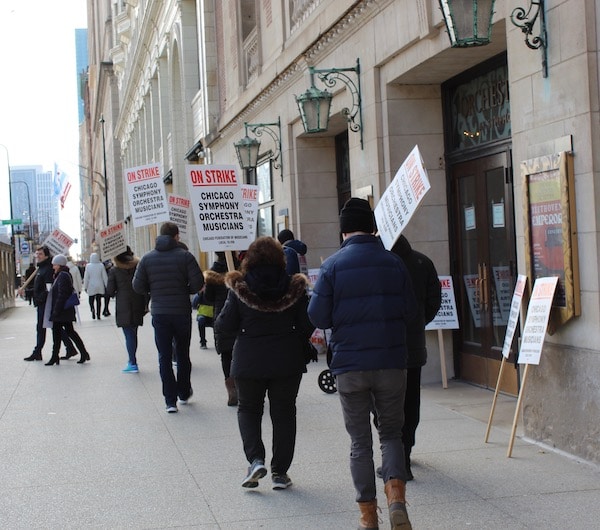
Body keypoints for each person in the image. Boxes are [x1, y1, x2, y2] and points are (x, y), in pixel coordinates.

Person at [307, 198, 417, 530]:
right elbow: (411, 313)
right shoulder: (394, 263)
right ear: (373, 227)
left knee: (359, 442)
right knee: (391, 434)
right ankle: (396, 498)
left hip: (350, 366)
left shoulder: (333, 266)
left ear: (343, 231)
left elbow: (318, 316)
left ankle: (368, 516)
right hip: (391, 362)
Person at [214, 237, 314, 490]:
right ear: (281, 258)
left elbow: (224, 325)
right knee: (284, 413)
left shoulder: (239, 288)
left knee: (248, 410)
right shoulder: (295, 287)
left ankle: (256, 460)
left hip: (249, 360)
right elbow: (307, 324)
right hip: (287, 361)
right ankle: (280, 472)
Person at [132, 222, 204, 413]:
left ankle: (169, 400)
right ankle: (183, 392)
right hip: (181, 311)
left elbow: (137, 286)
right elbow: (198, 283)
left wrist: (153, 291)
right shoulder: (185, 256)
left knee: (164, 356)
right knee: (182, 353)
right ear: (176, 237)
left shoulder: (147, 259)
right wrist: (184, 290)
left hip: (160, 312)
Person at [390, 235, 441, 481]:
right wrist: (419, 323)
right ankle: (405, 452)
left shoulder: (382, 264)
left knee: (385, 404)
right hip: (413, 346)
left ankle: (396, 455)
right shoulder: (423, 262)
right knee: (411, 401)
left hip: (386, 349)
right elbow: (434, 302)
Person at [21, 246, 77, 362]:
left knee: (46, 327)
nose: (38, 256)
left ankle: (38, 352)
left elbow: (50, 289)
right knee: (51, 327)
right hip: (42, 302)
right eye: (37, 254)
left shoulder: (48, 269)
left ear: (46, 255)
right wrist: (30, 292)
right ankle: (69, 348)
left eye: (40, 254)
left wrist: (41, 298)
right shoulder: (41, 268)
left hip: (46, 304)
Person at [204, 251, 238, 406]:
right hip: (241, 313)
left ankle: (231, 388)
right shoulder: (242, 268)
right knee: (241, 350)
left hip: (221, 315)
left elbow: (208, 298)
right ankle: (242, 385)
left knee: (226, 353)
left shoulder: (213, 272)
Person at [106, 246, 148, 373]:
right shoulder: (138, 266)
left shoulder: (114, 270)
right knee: (133, 332)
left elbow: (110, 291)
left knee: (129, 334)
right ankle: (132, 360)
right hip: (138, 301)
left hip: (123, 304)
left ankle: (132, 362)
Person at [45, 254, 91, 366]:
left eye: (54, 265)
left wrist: (55, 311)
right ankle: (83, 353)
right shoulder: (61, 275)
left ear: (60, 265)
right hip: (64, 311)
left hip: (62, 311)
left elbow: (62, 295)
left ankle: (55, 357)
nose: (53, 267)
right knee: (68, 332)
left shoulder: (63, 276)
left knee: (60, 334)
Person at [83, 253, 108, 320]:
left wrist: (85, 286)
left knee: (91, 299)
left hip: (91, 285)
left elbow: (86, 277)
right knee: (98, 300)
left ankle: (92, 309)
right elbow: (104, 276)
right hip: (100, 285)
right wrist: (107, 285)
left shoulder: (88, 266)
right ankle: (98, 314)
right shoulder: (101, 265)